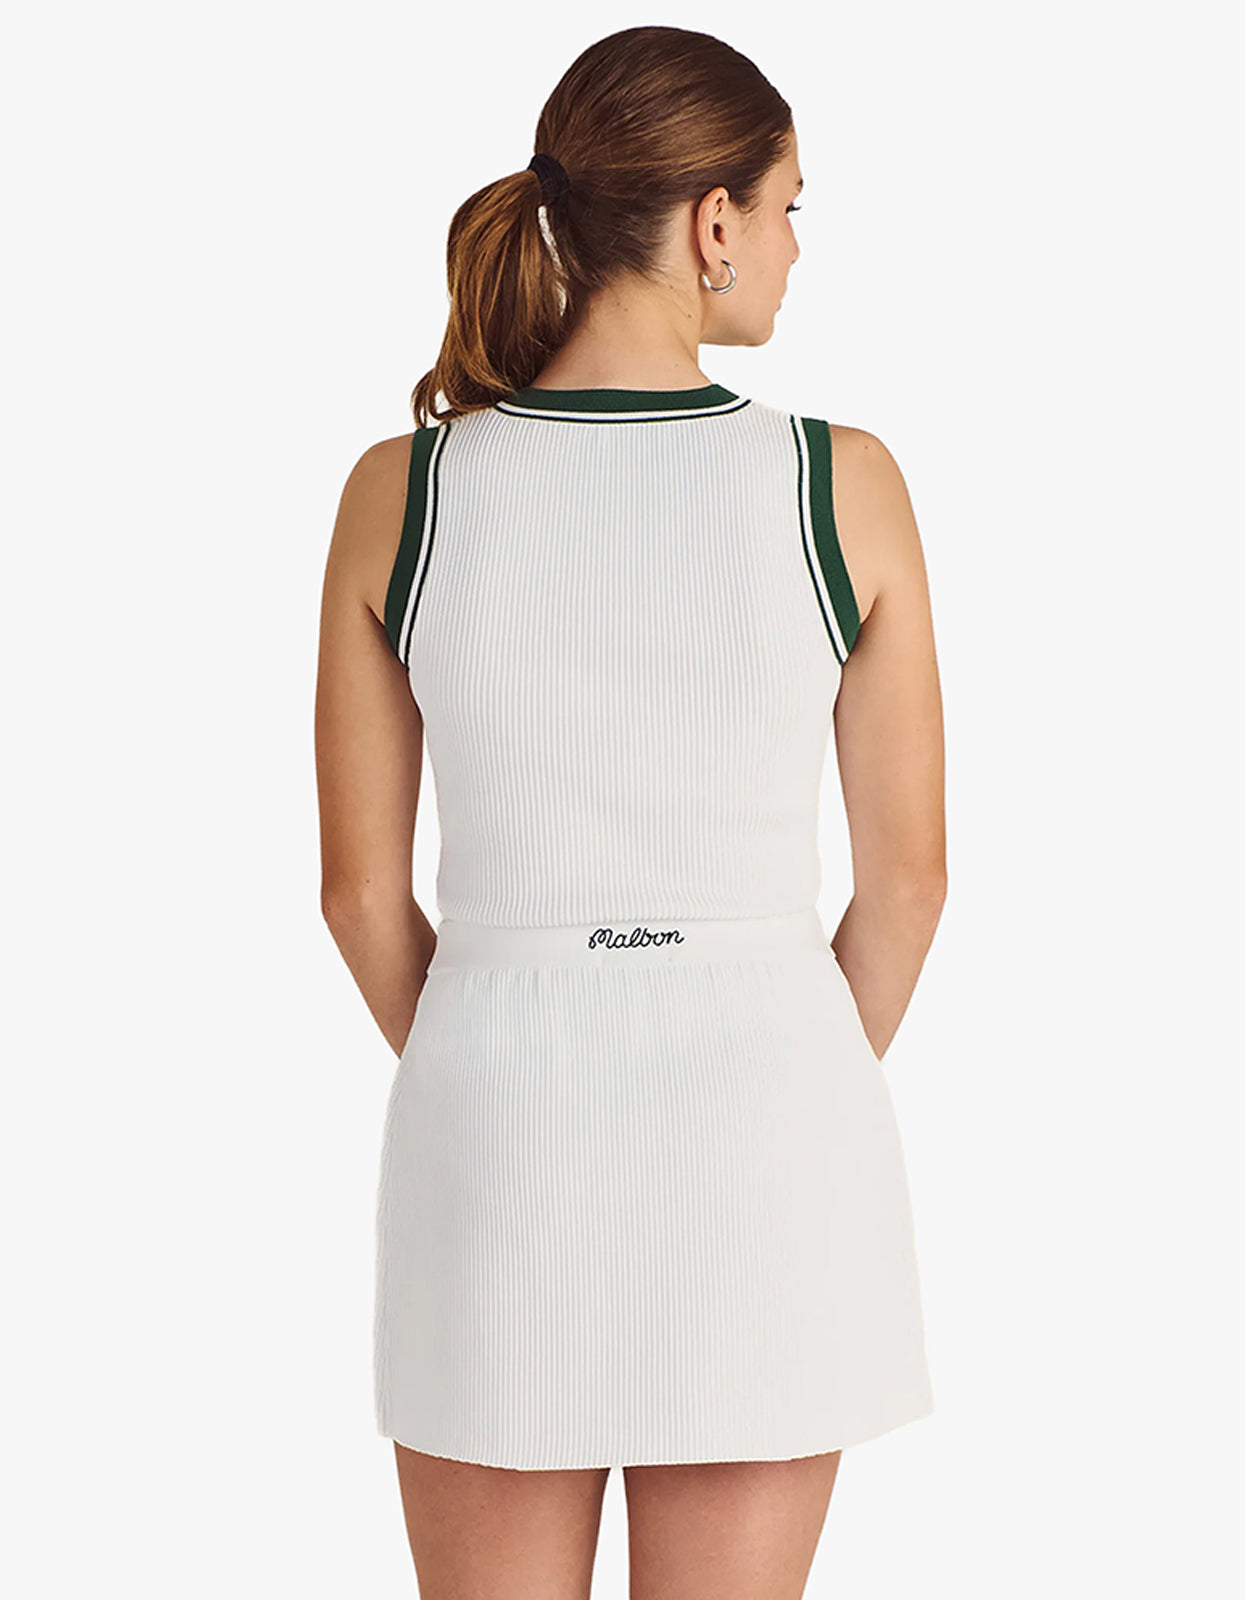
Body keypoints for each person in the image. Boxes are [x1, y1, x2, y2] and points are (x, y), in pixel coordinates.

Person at [315, 23, 945, 1599]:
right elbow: (908, 884)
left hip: (493, 1121)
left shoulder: (405, 491)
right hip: (763, 1125)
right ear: (711, 221)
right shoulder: (838, 482)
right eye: (789, 207)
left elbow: (360, 896)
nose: (793, 248)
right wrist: (771, 1067)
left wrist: (505, 1040)